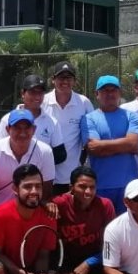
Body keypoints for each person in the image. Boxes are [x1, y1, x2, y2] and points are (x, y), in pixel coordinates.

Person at [52, 165, 117, 274]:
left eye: (92, 187)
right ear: (71, 188)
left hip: (96, 259)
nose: (88, 192)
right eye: (82, 187)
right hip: (67, 261)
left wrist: (89, 263)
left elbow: (111, 247)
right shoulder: (59, 205)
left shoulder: (105, 205)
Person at [0, 109, 56, 233]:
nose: (22, 133)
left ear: (34, 130)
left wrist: (47, 206)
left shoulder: (45, 152)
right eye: (17, 128)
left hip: (29, 214)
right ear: (8, 129)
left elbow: (46, 191)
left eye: (27, 128)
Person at [84, 75, 138, 214]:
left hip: (129, 186)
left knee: (129, 230)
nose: (110, 94)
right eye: (105, 90)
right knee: (104, 231)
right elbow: (94, 149)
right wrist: (126, 145)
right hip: (100, 186)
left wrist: (104, 146)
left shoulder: (131, 116)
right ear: (96, 94)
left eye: (113, 90)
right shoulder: (88, 119)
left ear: (119, 93)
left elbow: (133, 143)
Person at [43, 61, 94, 195]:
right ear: (53, 80)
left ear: (74, 81)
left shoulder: (84, 103)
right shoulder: (43, 101)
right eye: (61, 77)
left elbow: (89, 137)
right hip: (45, 176)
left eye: (69, 78)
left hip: (72, 177)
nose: (65, 81)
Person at [0, 74, 66, 167]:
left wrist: (34, 165)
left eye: (40, 93)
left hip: (40, 178)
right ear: (23, 94)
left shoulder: (52, 122)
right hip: (11, 176)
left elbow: (60, 155)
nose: (37, 97)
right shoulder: (7, 119)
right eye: (32, 92)